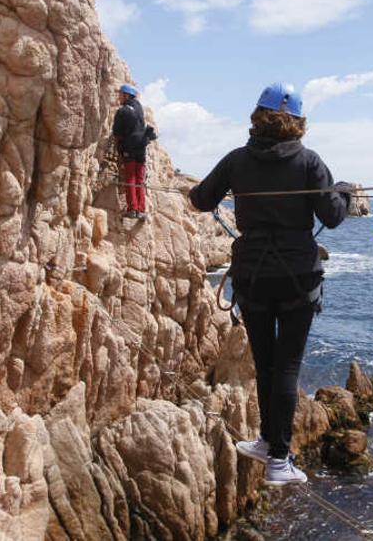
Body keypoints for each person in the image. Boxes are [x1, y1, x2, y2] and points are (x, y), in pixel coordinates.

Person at [188, 82, 351, 486]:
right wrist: (344, 192)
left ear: (257, 116)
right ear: (297, 121)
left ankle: (267, 442)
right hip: (296, 279)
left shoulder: (237, 161)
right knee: (287, 368)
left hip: (253, 278)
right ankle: (279, 458)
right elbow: (331, 216)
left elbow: (202, 200)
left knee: (267, 364)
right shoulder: (309, 162)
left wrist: (198, 187)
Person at [112, 83, 150, 219]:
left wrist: (118, 150)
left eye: (120, 95)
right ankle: (141, 210)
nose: (118, 98)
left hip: (129, 148)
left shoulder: (122, 111)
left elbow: (117, 133)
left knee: (130, 178)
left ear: (126, 95)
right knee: (140, 179)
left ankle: (132, 209)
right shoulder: (139, 107)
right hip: (141, 149)